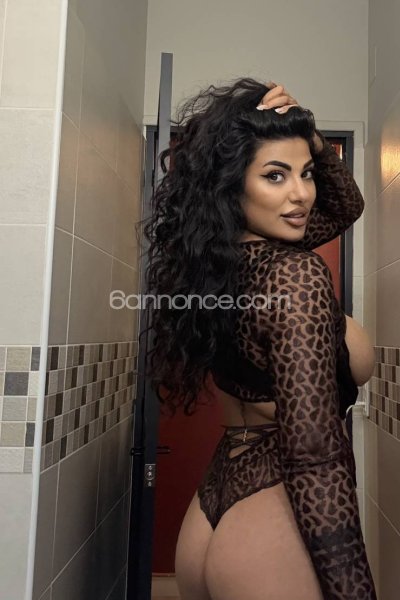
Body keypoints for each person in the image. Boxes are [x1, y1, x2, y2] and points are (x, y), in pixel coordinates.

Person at [143, 78, 377, 599]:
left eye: (306, 173)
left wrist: (311, 139)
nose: (302, 194)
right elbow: (315, 455)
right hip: (272, 512)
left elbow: (346, 206)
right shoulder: (294, 274)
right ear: (231, 186)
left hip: (215, 504)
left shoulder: (216, 263)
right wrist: (353, 588)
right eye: (275, 175)